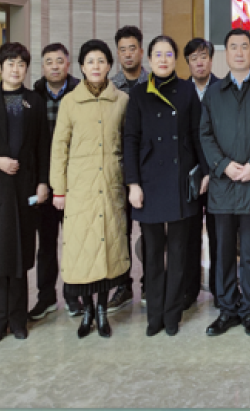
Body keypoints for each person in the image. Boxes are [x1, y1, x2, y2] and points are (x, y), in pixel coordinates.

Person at [0, 42, 51, 344]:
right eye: (10, 63)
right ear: (0, 67)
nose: (16, 69)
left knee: (20, 256)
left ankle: (18, 320)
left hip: (25, 189)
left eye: (21, 64)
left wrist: (43, 183)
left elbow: (42, 146)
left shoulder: (31, 101)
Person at [200, 28, 250, 337]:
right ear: (226, 53)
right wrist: (223, 165)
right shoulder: (213, 92)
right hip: (223, 185)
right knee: (223, 253)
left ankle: (249, 310)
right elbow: (205, 133)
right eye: (233, 46)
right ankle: (226, 310)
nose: (238, 52)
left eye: (244, 46)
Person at [124, 35, 205, 337]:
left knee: (179, 252)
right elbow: (130, 140)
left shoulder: (186, 90)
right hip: (149, 181)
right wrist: (133, 183)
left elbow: (197, 135)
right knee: (153, 253)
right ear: (149, 60)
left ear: (175, 59)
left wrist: (204, 173)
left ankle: (172, 314)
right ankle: (154, 314)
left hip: (181, 179)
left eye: (168, 54)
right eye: (157, 55)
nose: (163, 60)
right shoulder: (138, 93)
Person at [49, 39, 130, 339]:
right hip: (79, 188)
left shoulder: (122, 100)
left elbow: (128, 144)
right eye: (90, 61)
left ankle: (102, 309)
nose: (96, 66)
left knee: (106, 246)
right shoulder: (70, 102)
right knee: (82, 249)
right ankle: (86, 311)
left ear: (109, 66)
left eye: (101, 61)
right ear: (82, 67)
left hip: (110, 183)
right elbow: (59, 147)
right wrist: (59, 189)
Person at [29, 43, 82, 321]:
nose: (54, 66)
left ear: (67, 64)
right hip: (44, 182)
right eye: (49, 62)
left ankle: (73, 296)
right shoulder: (33, 95)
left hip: (74, 182)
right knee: (47, 242)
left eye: (59, 61)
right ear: (42, 67)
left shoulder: (79, 92)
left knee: (73, 242)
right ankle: (46, 297)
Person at [107, 25, 148, 312]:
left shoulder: (154, 82)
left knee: (150, 230)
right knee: (120, 231)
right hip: (119, 169)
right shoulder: (110, 87)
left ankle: (149, 283)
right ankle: (123, 285)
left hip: (148, 168)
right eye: (122, 49)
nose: (128, 54)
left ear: (141, 51)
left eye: (132, 48)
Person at [183, 37, 220, 310]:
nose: (199, 62)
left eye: (203, 57)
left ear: (211, 60)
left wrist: (211, 170)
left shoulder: (222, 88)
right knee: (189, 234)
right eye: (194, 58)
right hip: (189, 176)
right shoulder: (181, 91)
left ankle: (220, 289)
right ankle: (189, 289)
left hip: (218, 173)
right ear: (188, 62)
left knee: (219, 235)